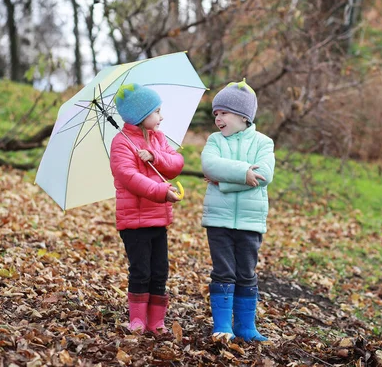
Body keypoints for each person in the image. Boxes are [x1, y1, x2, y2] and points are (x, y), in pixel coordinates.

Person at [201, 78, 275, 342]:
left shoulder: (264, 143)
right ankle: (222, 326)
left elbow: (264, 174)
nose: (218, 118)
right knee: (223, 271)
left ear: (243, 116)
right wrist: (244, 174)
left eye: (223, 113)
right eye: (216, 114)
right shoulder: (215, 140)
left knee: (246, 272)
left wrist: (225, 183)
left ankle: (246, 326)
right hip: (218, 220)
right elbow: (210, 166)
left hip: (250, 221)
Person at [110, 83, 183, 335]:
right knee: (141, 270)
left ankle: (156, 321)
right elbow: (129, 177)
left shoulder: (158, 139)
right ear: (142, 115)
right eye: (157, 111)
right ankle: (138, 320)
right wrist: (161, 191)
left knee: (160, 270)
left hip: (158, 220)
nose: (161, 117)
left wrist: (155, 156)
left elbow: (176, 163)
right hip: (134, 222)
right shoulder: (121, 143)